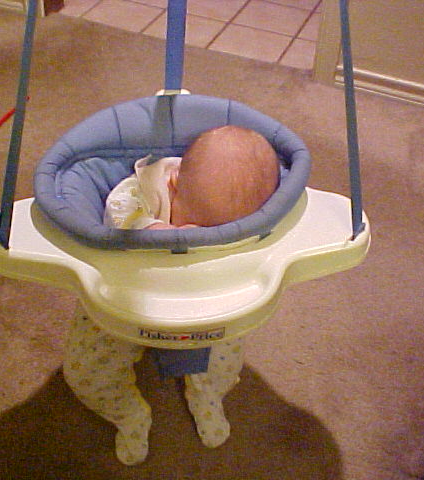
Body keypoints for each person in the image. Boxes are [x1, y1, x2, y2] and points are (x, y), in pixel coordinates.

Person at [63, 126, 280, 465]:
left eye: (212, 232)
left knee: (226, 358)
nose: (193, 236)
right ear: (174, 181)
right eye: (191, 222)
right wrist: (154, 231)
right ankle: (129, 413)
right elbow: (119, 216)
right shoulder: (144, 188)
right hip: (128, 297)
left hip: (206, 301)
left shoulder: (245, 215)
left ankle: (207, 392)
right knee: (86, 372)